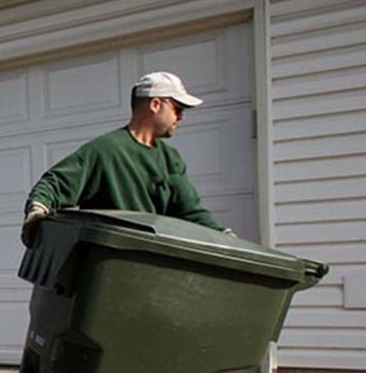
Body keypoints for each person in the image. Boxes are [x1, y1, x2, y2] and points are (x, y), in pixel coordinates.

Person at [21, 71, 230, 245]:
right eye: (177, 109)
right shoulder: (105, 151)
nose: (181, 117)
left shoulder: (170, 159)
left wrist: (224, 237)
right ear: (155, 104)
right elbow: (55, 183)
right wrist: (37, 210)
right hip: (110, 260)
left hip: (153, 263)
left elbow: (190, 210)